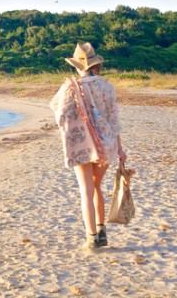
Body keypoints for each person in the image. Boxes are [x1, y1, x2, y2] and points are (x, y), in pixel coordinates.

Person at [49, 43, 125, 249]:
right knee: (96, 187)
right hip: (107, 143)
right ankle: (102, 233)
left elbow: (58, 111)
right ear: (95, 64)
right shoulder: (107, 87)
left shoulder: (70, 87)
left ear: (77, 65)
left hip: (82, 143)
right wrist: (120, 149)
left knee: (86, 190)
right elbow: (114, 119)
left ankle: (91, 238)